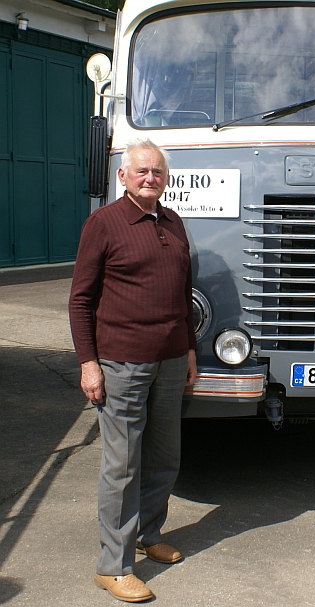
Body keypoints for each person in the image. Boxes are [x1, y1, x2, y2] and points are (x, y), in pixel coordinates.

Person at [68, 138, 197, 603]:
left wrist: (189, 350)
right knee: (122, 466)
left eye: (157, 172)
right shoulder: (103, 223)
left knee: (164, 455)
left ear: (165, 179)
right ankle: (113, 565)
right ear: (122, 177)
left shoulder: (174, 222)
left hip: (168, 360)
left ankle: (149, 532)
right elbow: (80, 298)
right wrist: (88, 363)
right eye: (141, 171)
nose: (150, 178)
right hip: (121, 363)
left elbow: (183, 294)